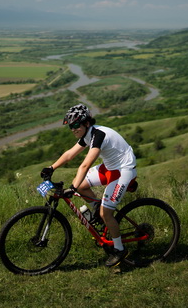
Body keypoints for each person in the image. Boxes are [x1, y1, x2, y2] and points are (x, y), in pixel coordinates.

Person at [40, 103, 137, 267]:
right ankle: (98, 214)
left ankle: (119, 249)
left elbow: (85, 165)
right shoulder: (87, 135)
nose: (73, 129)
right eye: (71, 126)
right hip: (110, 167)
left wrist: (72, 187)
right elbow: (69, 154)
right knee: (83, 186)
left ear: (86, 123)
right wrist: (51, 167)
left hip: (123, 170)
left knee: (106, 213)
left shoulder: (98, 135)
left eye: (76, 125)